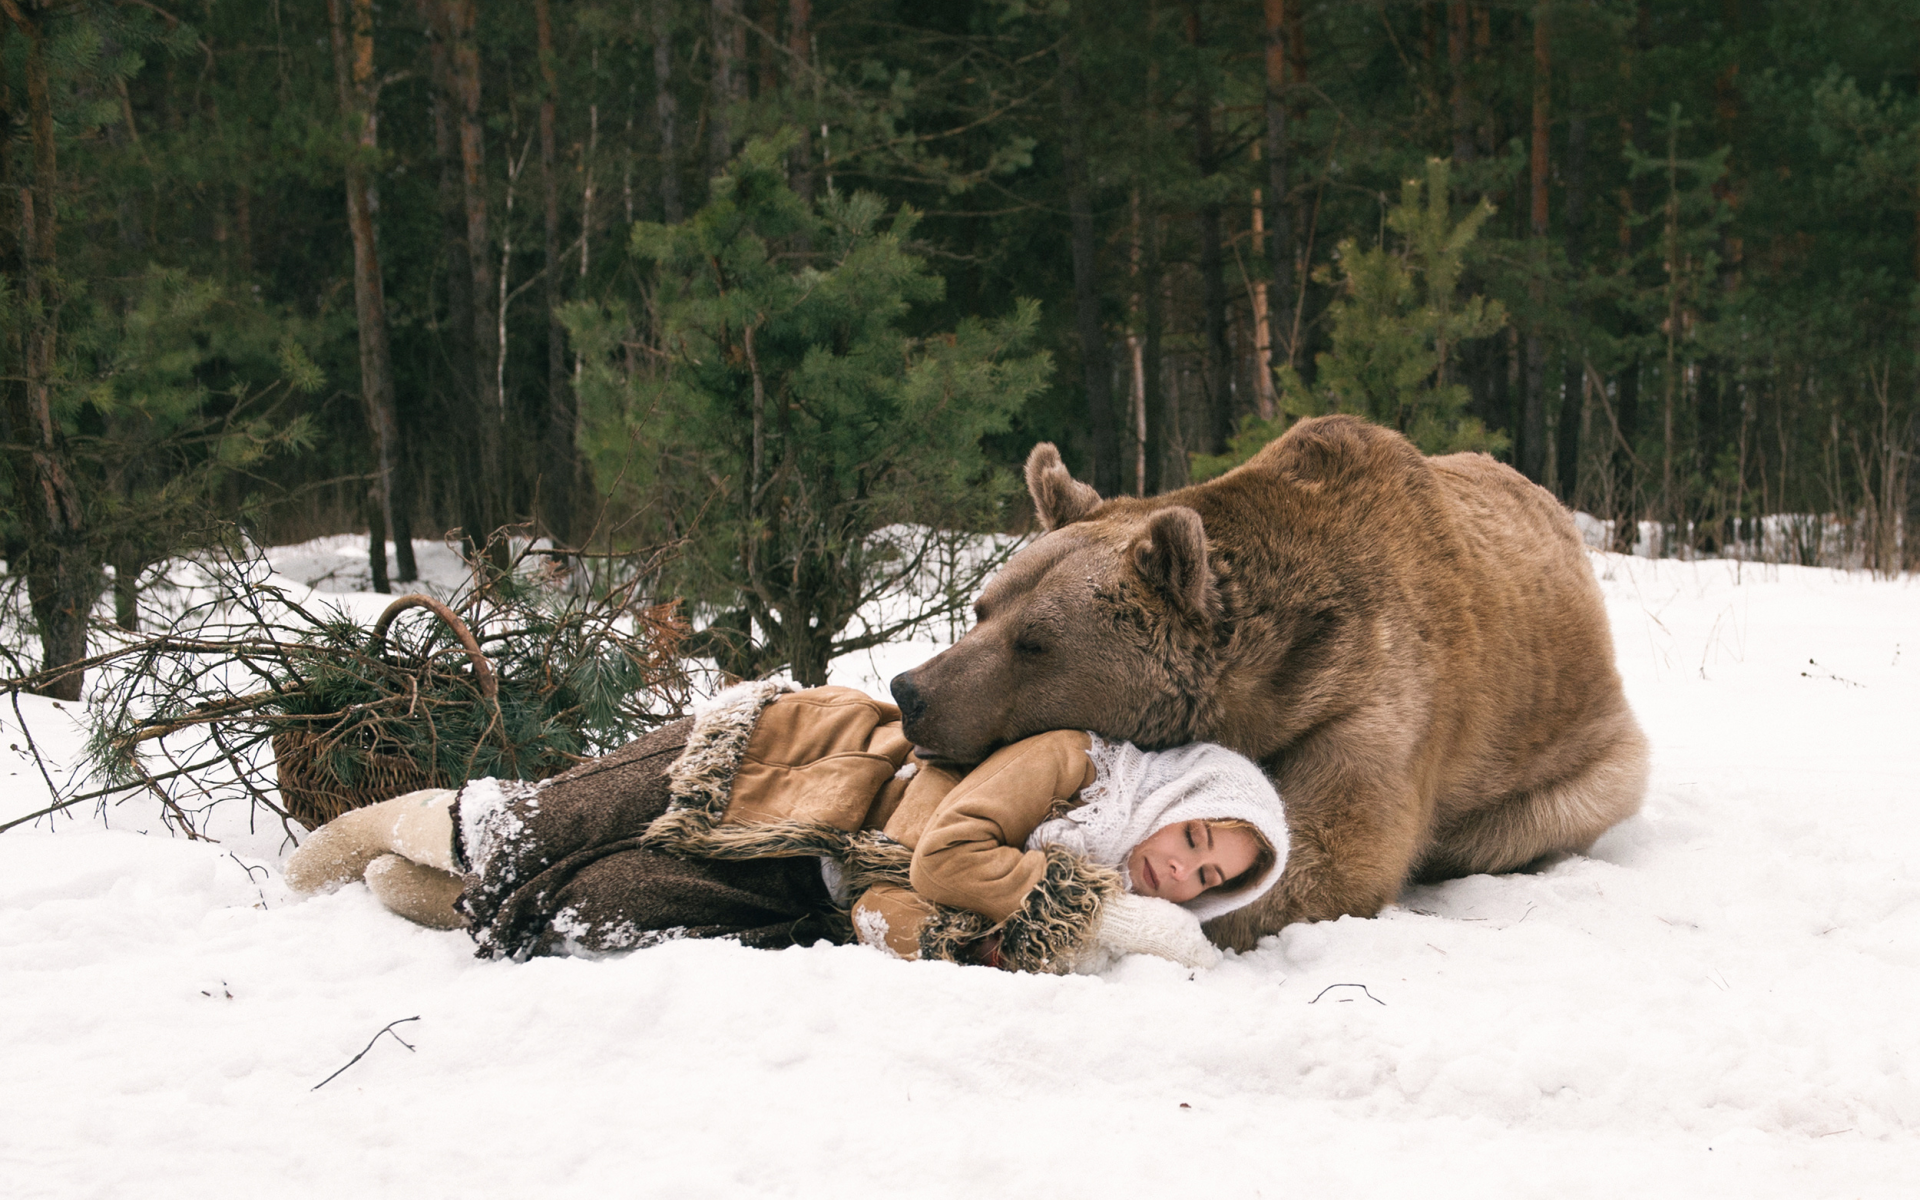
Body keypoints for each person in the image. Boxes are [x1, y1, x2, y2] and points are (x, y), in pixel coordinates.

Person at [285, 682, 1287, 973]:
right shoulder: (1078, 764)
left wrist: (924, 937)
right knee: (545, 826)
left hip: (799, 887)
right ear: (1178, 802)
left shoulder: (1064, 929)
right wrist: (1099, 911)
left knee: (587, 912)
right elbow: (946, 853)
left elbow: (911, 915)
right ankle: (373, 832)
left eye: (1208, 884)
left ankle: (428, 894)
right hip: (790, 762)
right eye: (1197, 841)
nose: (1181, 872)